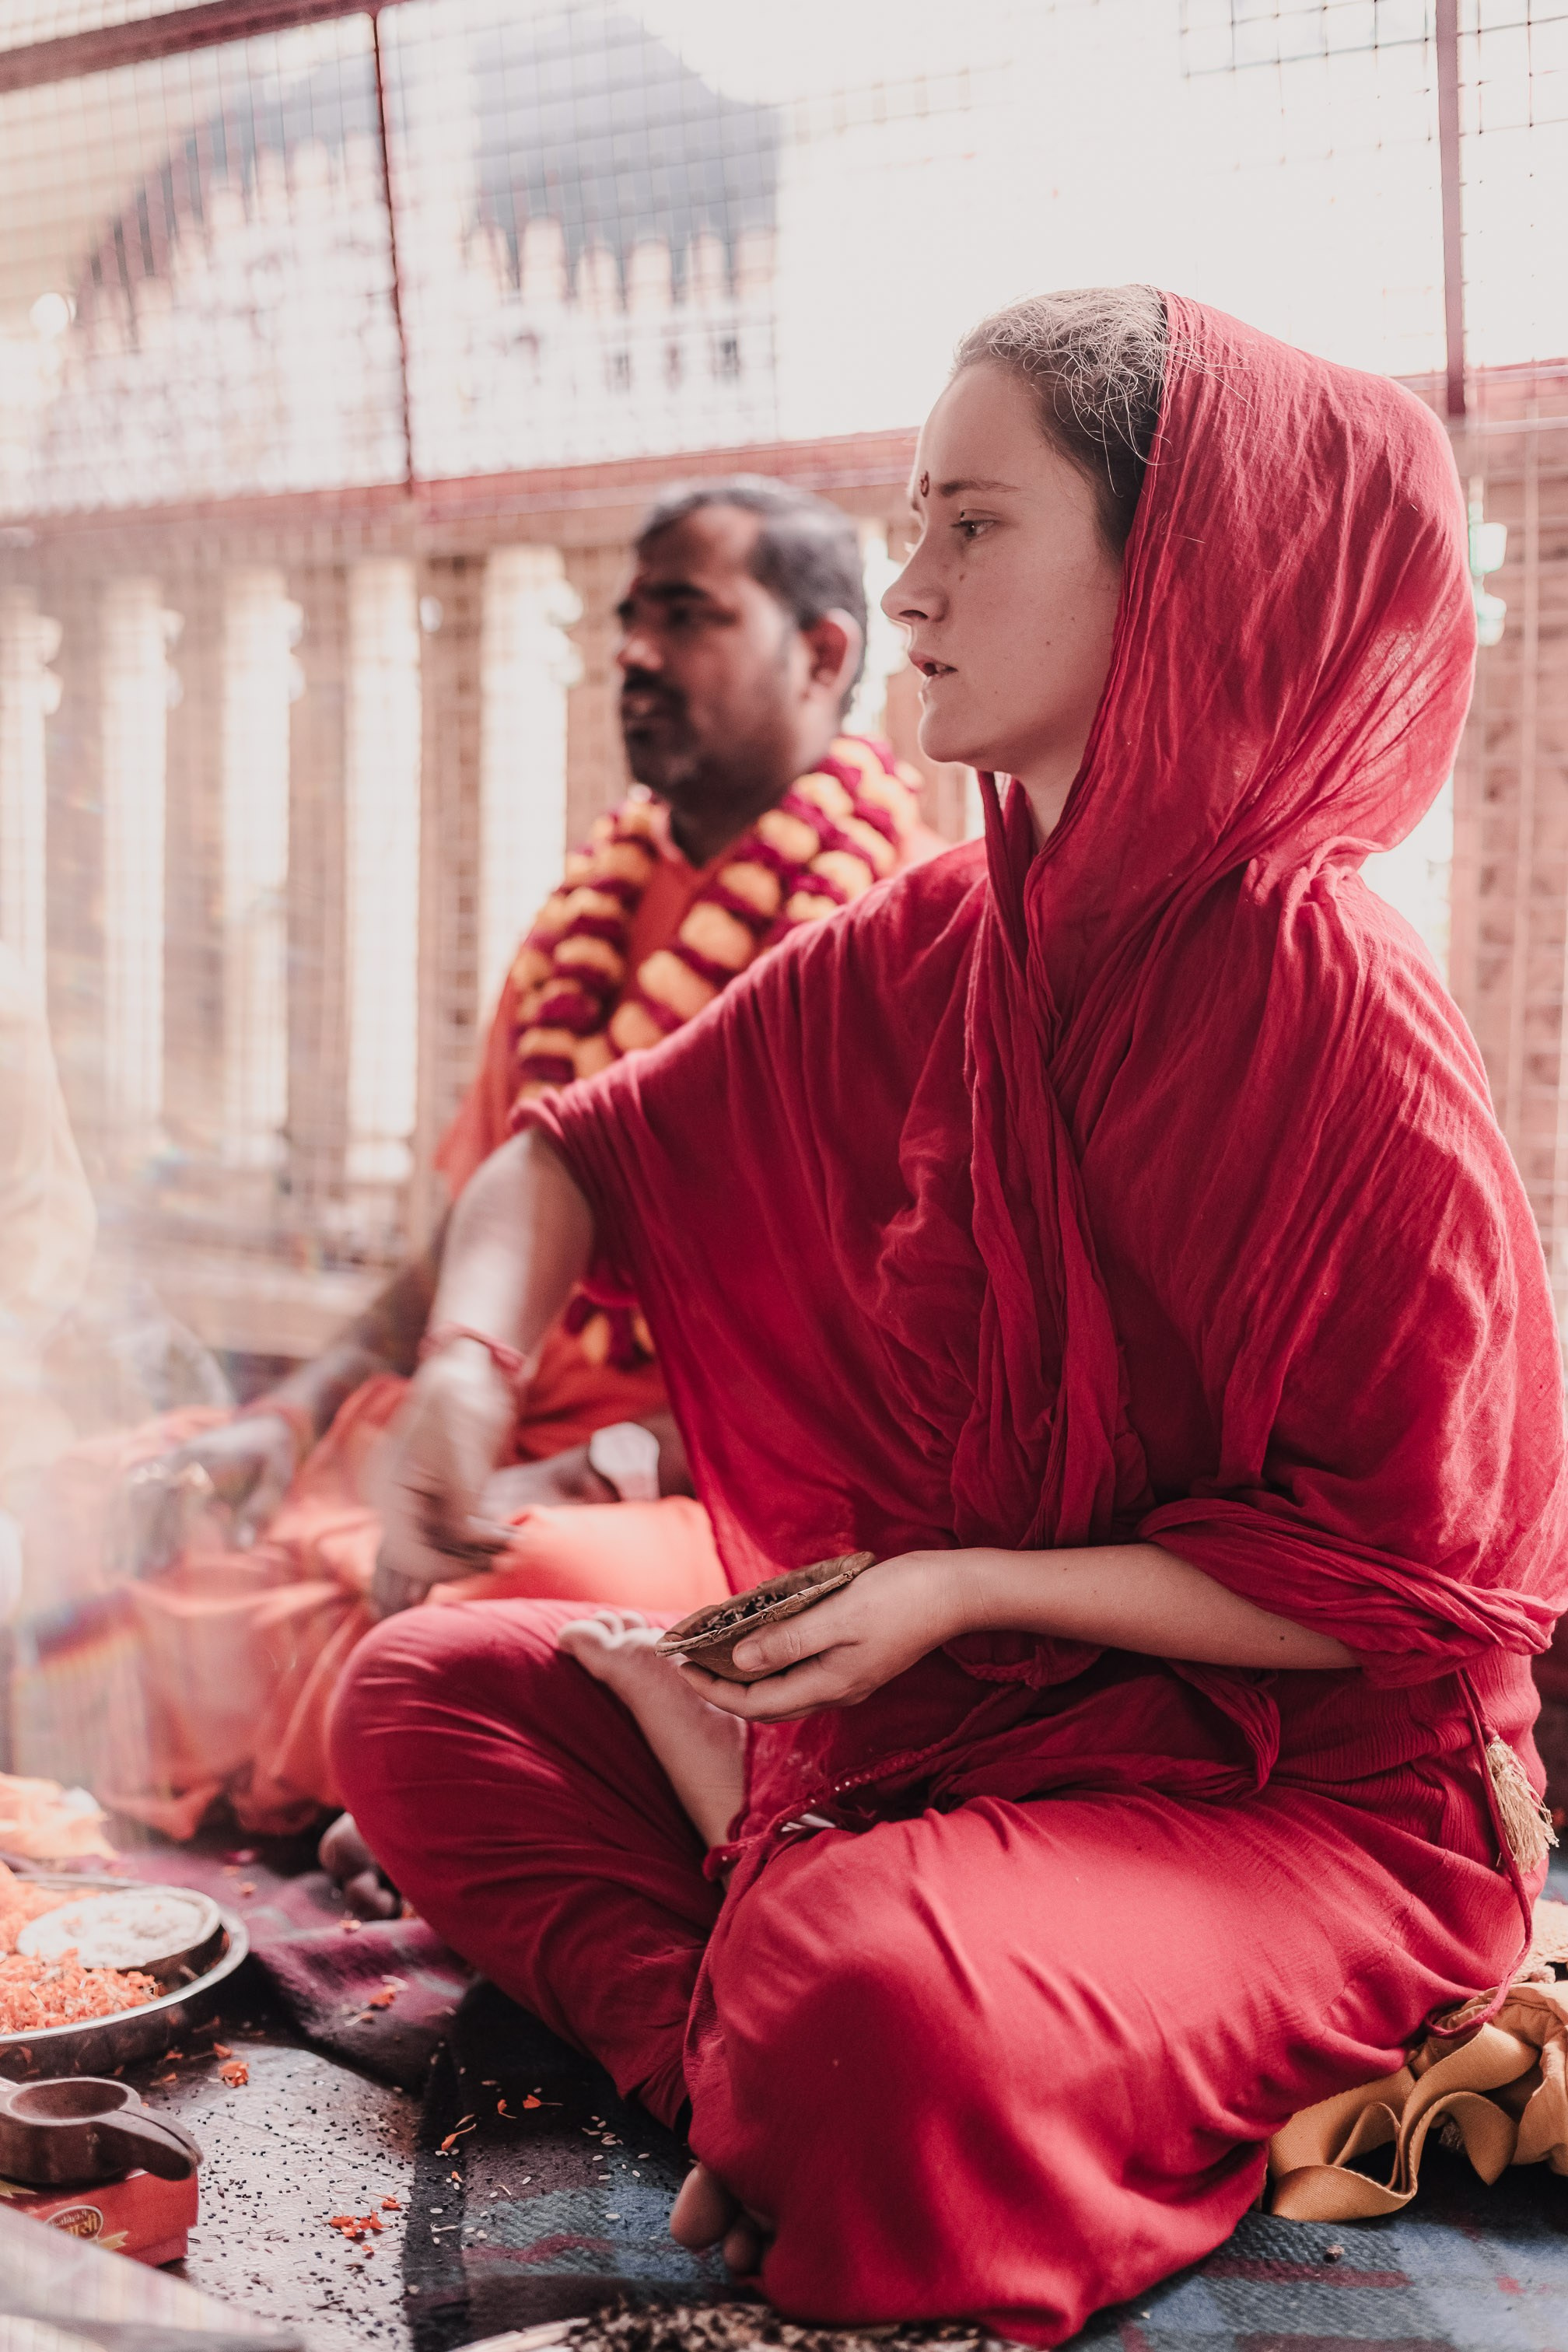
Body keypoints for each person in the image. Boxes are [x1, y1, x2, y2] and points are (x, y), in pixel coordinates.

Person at [328, 285, 1568, 2342]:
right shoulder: (953, 927)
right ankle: (766, 2049)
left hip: (1293, 1799)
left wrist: (967, 1590)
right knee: (417, 1702)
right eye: (911, 522)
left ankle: (789, 1998)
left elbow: (1418, 1592)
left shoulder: (1340, 1017)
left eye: (974, 525)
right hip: (949, 1738)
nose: (905, 589)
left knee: (878, 2005)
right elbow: (571, 1164)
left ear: (1171, 569)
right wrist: (461, 1373)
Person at [15, 478, 942, 1843]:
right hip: (478, 1440)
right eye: (627, 620)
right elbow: (468, 1230)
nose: (632, 651)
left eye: (685, 617)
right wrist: (290, 1411)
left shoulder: (889, 932)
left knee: (536, 1588)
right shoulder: (586, 911)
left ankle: (402, 1752)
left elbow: (896, 1358)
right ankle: (397, 1754)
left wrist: (611, 1467)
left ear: (822, 652)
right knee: (100, 1500)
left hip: (717, 1494)